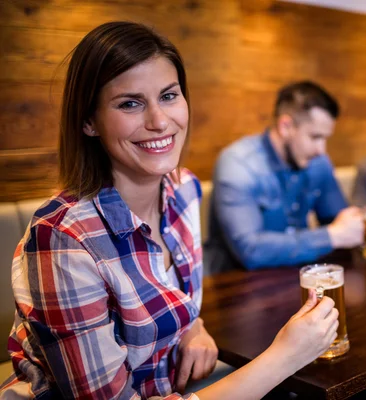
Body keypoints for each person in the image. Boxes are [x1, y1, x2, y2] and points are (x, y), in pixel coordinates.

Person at [0, 21, 339, 400]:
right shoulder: (62, 239)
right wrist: (285, 356)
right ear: (88, 121)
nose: (160, 121)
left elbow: (173, 300)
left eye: (168, 96)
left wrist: (192, 327)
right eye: (130, 103)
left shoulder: (184, 189)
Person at [203, 81, 364, 273]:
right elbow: (250, 251)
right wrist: (330, 236)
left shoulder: (318, 163)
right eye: (315, 137)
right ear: (286, 126)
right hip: (234, 283)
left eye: (325, 138)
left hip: (298, 276)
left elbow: (340, 221)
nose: (321, 150)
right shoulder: (238, 164)